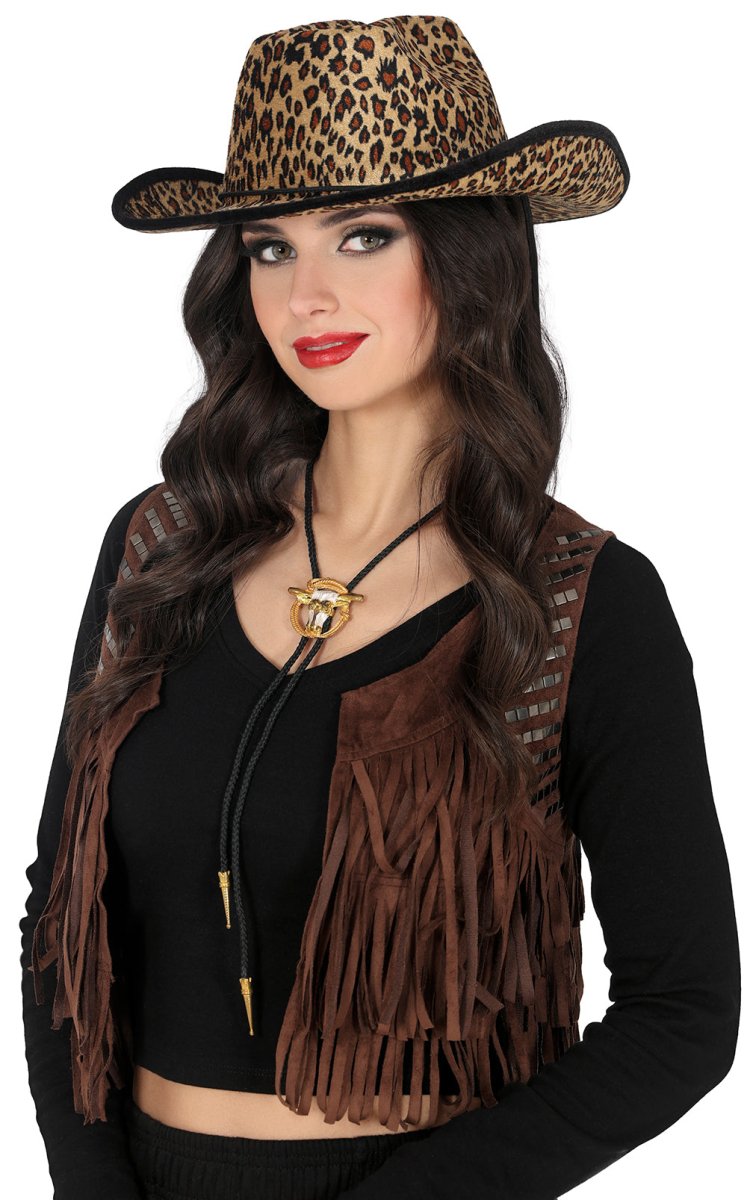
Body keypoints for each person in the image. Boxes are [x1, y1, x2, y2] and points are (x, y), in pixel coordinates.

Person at [20, 13, 740, 1200]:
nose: (307, 296)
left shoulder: (577, 601)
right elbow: (61, 908)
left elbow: (685, 1010)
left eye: (363, 236)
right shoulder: (161, 545)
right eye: (270, 247)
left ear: (469, 256)